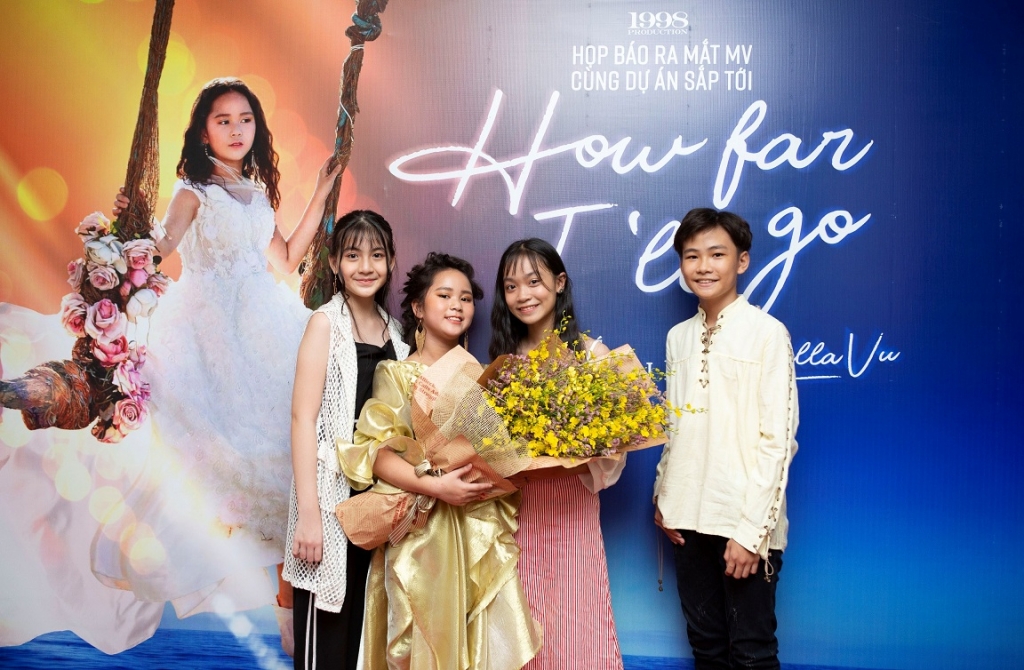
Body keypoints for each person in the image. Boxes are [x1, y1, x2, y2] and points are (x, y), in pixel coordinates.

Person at [0, 76, 339, 653]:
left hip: (268, 329)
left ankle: (289, 606)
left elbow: (284, 259)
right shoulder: (193, 190)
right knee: (225, 463)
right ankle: (263, 598)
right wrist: (129, 231)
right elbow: (160, 248)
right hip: (210, 333)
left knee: (288, 460)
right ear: (204, 132)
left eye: (245, 119)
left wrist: (322, 193)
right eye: (223, 120)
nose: (236, 130)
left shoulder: (256, 191)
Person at [337, 252, 541, 670]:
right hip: (421, 533)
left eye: (465, 298)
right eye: (444, 295)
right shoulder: (396, 373)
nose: (457, 306)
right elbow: (377, 455)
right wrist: (436, 486)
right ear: (418, 308)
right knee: (420, 643)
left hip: (473, 528)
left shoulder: (484, 377)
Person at [653, 208, 799, 670]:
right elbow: (674, 427)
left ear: (742, 261)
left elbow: (778, 441)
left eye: (717, 254)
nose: (703, 266)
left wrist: (752, 534)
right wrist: (662, 495)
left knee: (752, 652)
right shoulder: (678, 337)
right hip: (685, 520)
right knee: (707, 649)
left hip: (742, 522)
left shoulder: (767, 333)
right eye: (691, 256)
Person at [488, 238, 624, 670]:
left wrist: (570, 458)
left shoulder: (591, 356)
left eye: (534, 282)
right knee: (520, 624)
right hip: (518, 513)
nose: (523, 295)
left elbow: (615, 453)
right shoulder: (501, 365)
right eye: (511, 286)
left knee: (577, 619)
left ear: (559, 283)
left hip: (572, 510)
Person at [283, 210, 407, 669]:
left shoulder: (397, 333)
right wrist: (309, 515)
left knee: (363, 644)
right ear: (334, 263)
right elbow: (302, 419)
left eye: (377, 255)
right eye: (353, 255)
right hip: (330, 503)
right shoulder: (325, 324)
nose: (366, 266)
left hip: (378, 509)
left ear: (390, 261)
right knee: (327, 646)